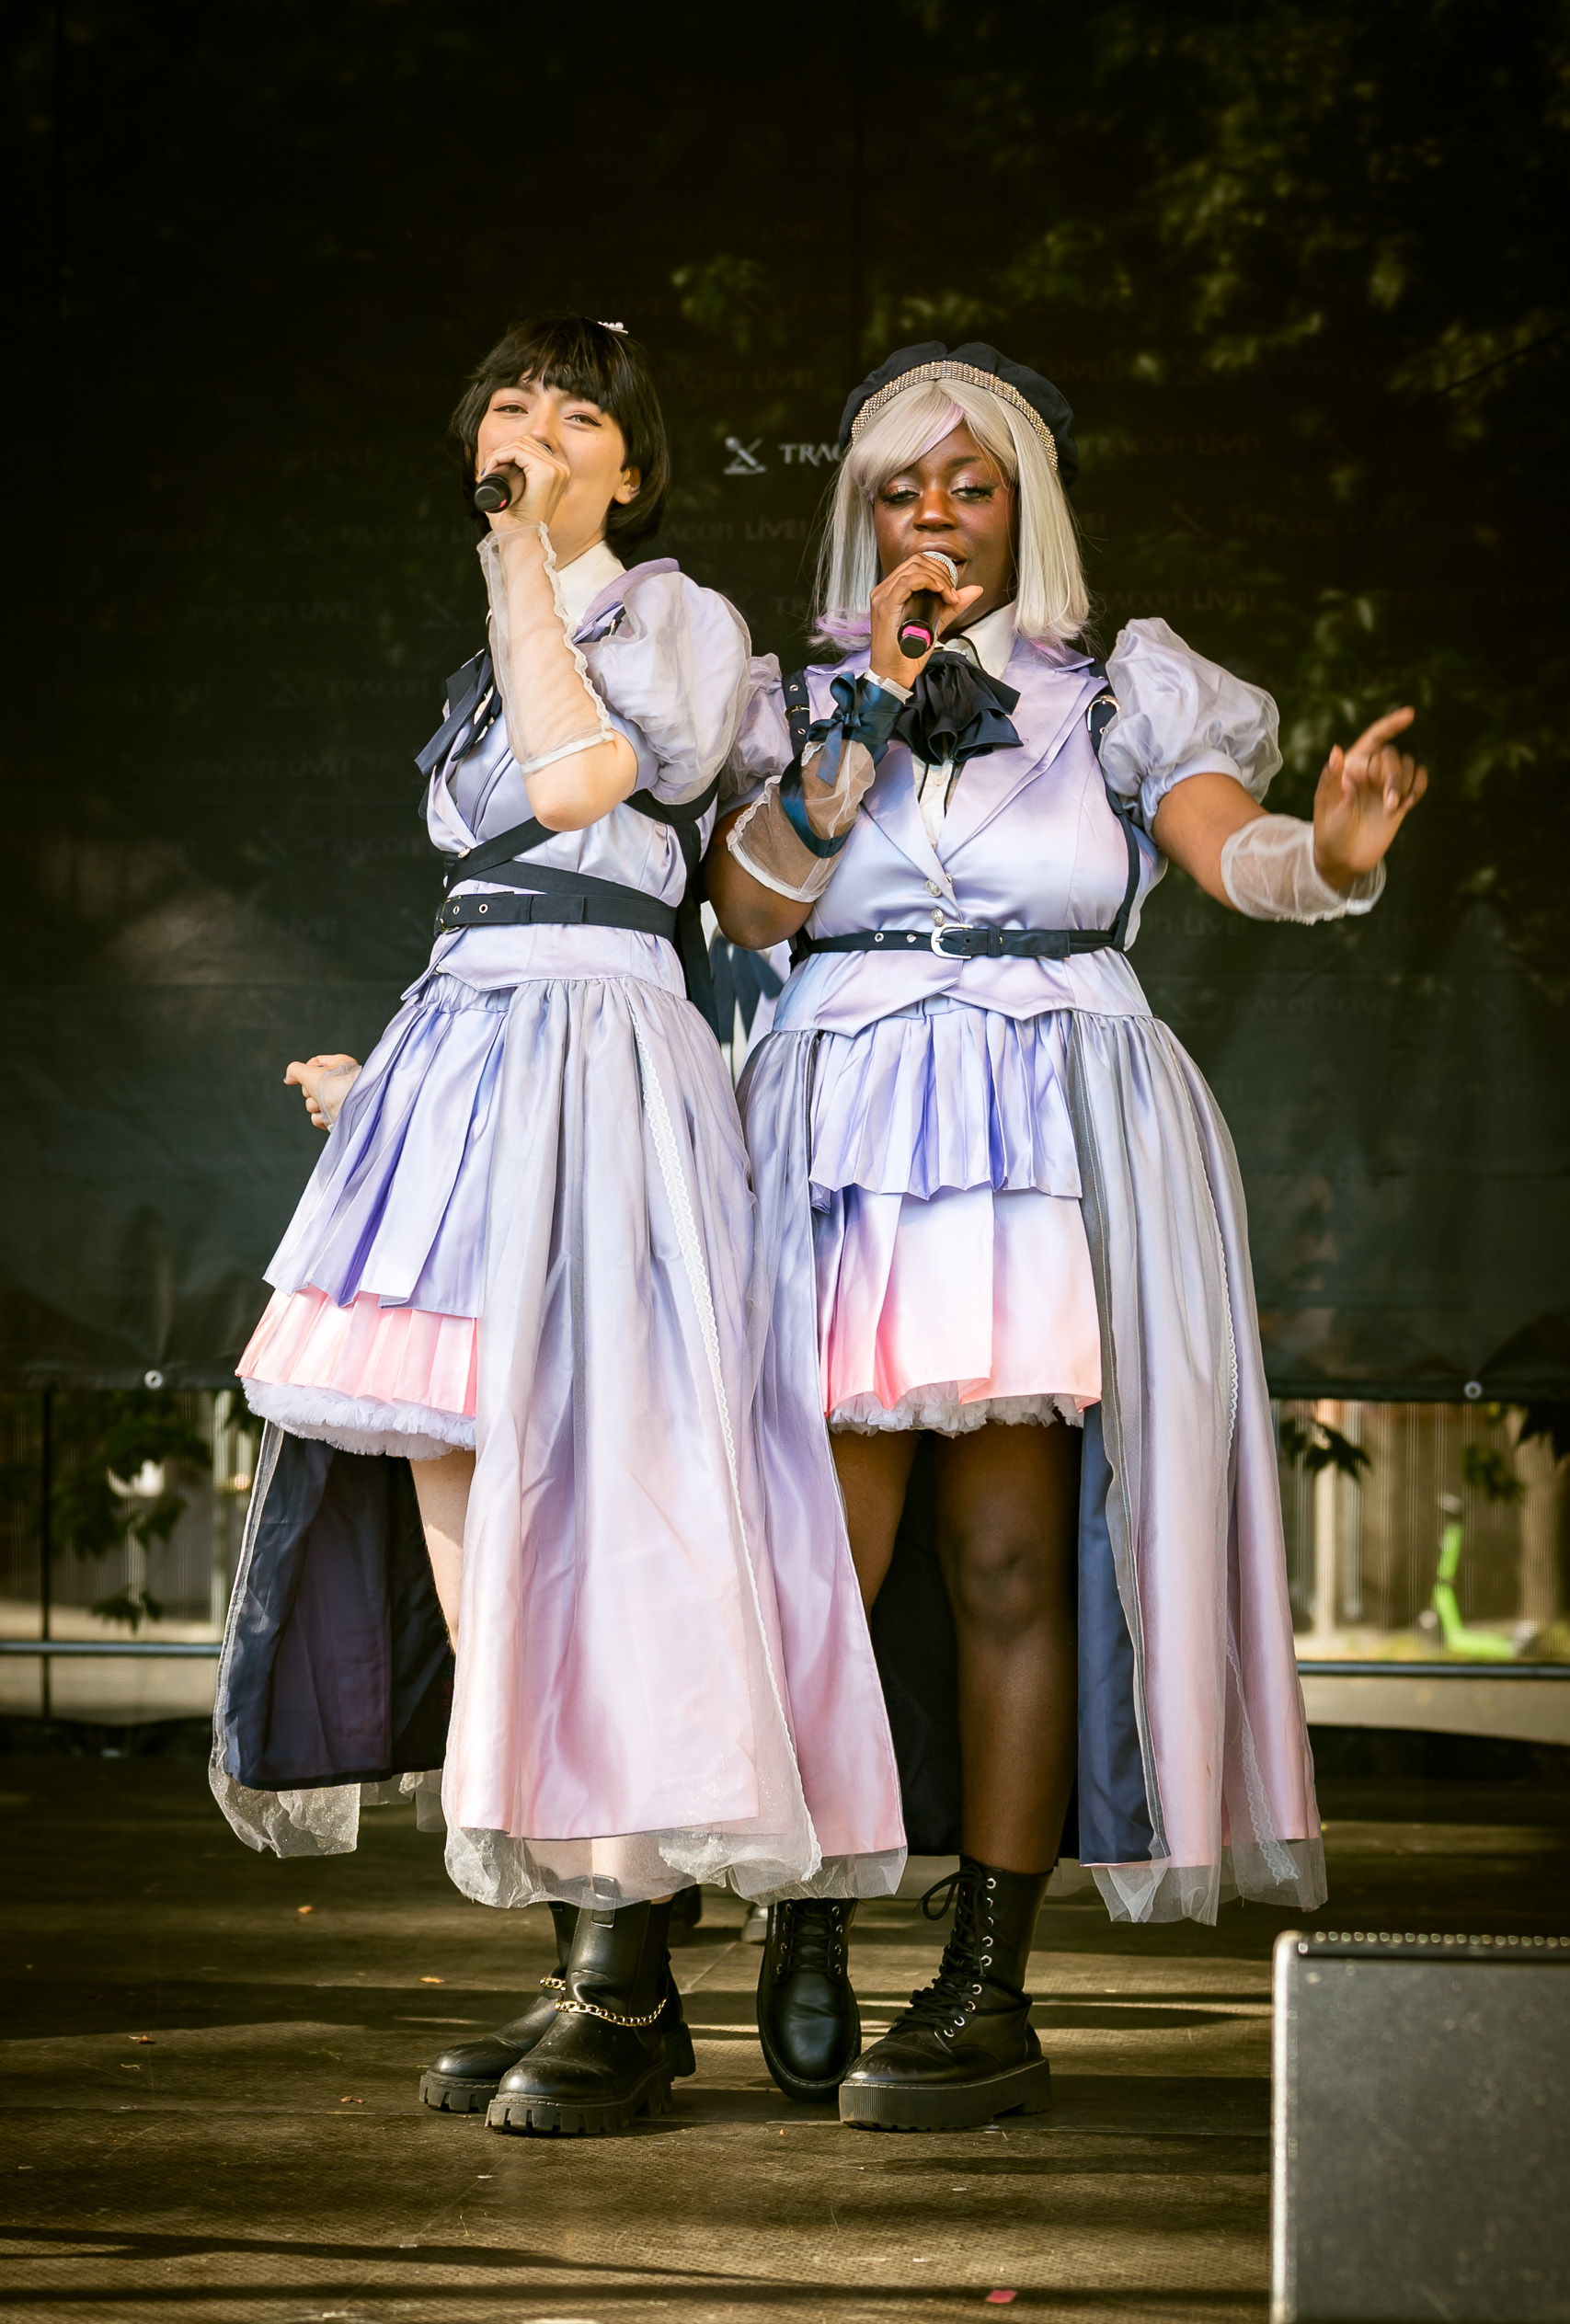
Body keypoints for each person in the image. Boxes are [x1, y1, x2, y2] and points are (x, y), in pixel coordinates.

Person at [708, 340, 1426, 2132]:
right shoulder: (797, 696)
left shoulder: (1116, 697)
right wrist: (865, 718)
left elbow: (1232, 849)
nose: (935, 513)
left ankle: (988, 1978)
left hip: (1034, 1146)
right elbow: (750, 908)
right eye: (900, 488)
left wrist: (1331, 855)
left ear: (1026, 508)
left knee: (1012, 1564)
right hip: (845, 1140)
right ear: (861, 518)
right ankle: (809, 1908)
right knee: (823, 1558)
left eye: (971, 484)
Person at [212, 315, 904, 2137]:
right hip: (470, 1059)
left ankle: (625, 1953)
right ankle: (606, 1962)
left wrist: (525, 562)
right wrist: (390, 1076)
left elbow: (589, 789)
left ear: (631, 468)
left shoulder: (675, 621)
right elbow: (492, 887)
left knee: (608, 1498)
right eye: (510, 406)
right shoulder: (490, 649)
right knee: (464, 1496)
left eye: (576, 410)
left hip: (604, 1054)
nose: (536, 426)